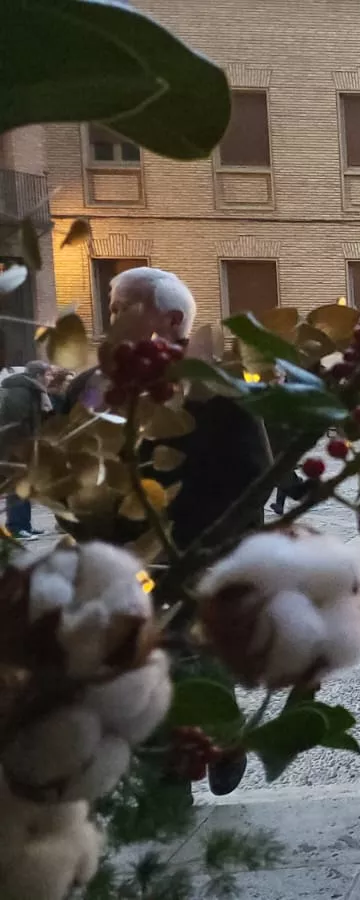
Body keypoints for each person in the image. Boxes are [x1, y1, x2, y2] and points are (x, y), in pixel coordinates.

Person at [63, 267, 272, 796]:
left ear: (173, 320)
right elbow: (64, 467)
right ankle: (164, 790)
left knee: (184, 660)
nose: (111, 318)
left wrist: (206, 552)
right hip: (112, 561)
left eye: (124, 308)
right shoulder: (88, 388)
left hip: (188, 557)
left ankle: (216, 736)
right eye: (111, 307)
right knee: (133, 672)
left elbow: (253, 477)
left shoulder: (216, 388)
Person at [1, 361, 54, 538]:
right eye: (48, 374)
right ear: (38, 375)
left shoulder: (32, 390)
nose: (51, 378)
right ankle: (16, 527)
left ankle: (25, 525)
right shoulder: (21, 392)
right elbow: (16, 423)